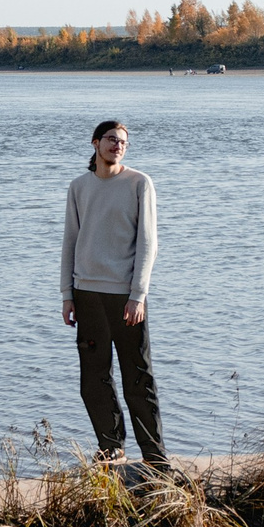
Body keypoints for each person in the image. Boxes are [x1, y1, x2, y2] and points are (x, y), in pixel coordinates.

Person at [61, 119, 166, 467]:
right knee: (93, 378)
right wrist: (67, 294)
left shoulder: (139, 183)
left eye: (122, 142)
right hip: (86, 293)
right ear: (95, 144)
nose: (117, 146)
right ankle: (111, 446)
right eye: (111, 140)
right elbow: (70, 243)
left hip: (125, 297)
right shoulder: (79, 187)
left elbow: (148, 243)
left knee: (138, 376)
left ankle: (154, 456)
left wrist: (138, 294)